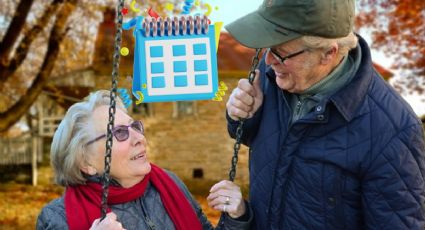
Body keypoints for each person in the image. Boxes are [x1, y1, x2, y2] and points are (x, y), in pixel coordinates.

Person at [225, 0, 425, 229]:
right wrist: (241, 116)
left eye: (281, 53)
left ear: (329, 53)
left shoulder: (392, 130)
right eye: (268, 48)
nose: (269, 61)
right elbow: (254, 138)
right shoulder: (274, 72)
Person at [36, 90, 252, 230]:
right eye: (119, 133)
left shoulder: (168, 183)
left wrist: (237, 217)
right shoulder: (56, 219)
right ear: (86, 163)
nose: (139, 138)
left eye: (135, 127)